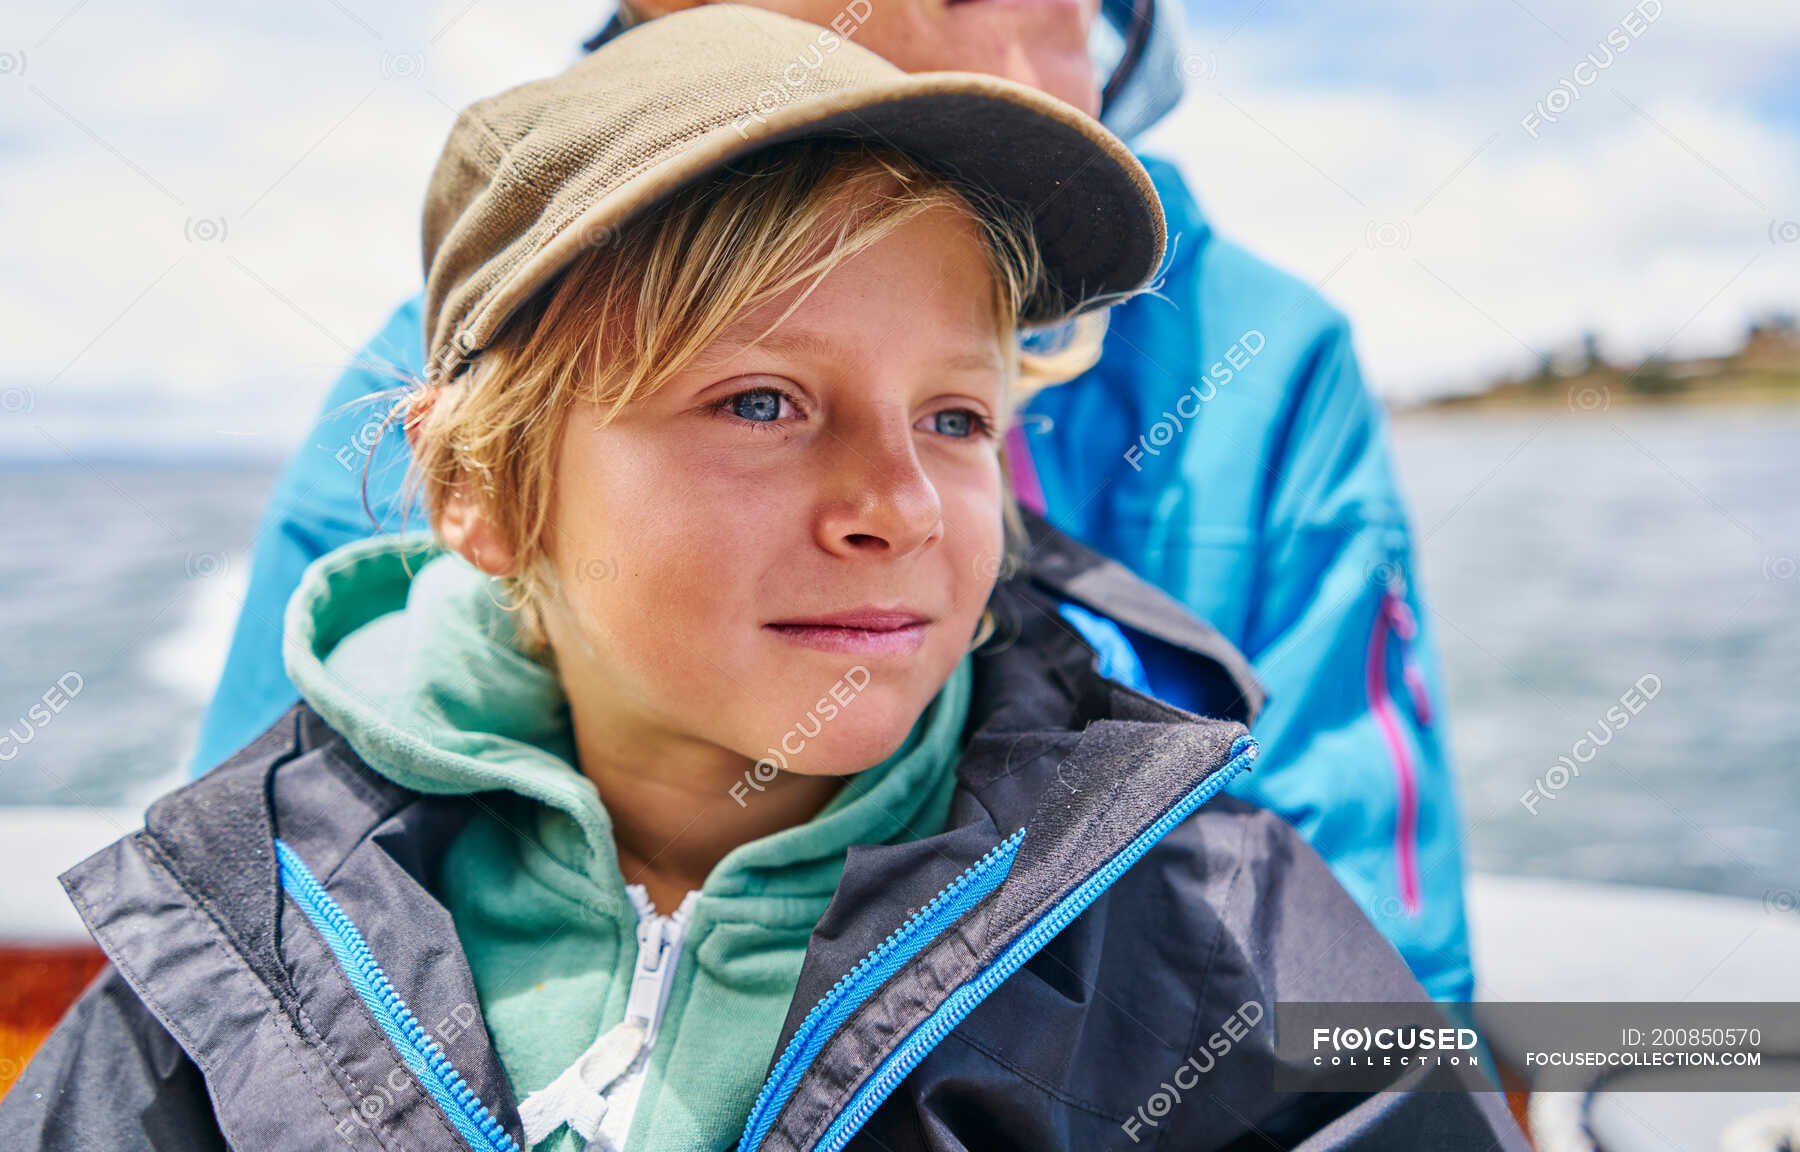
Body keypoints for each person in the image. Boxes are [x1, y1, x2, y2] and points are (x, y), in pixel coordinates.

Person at [6, 12, 1524, 1149]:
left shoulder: (1216, 921)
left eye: (960, 420)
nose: (899, 503)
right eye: (759, 404)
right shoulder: (237, 925)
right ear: (469, 491)